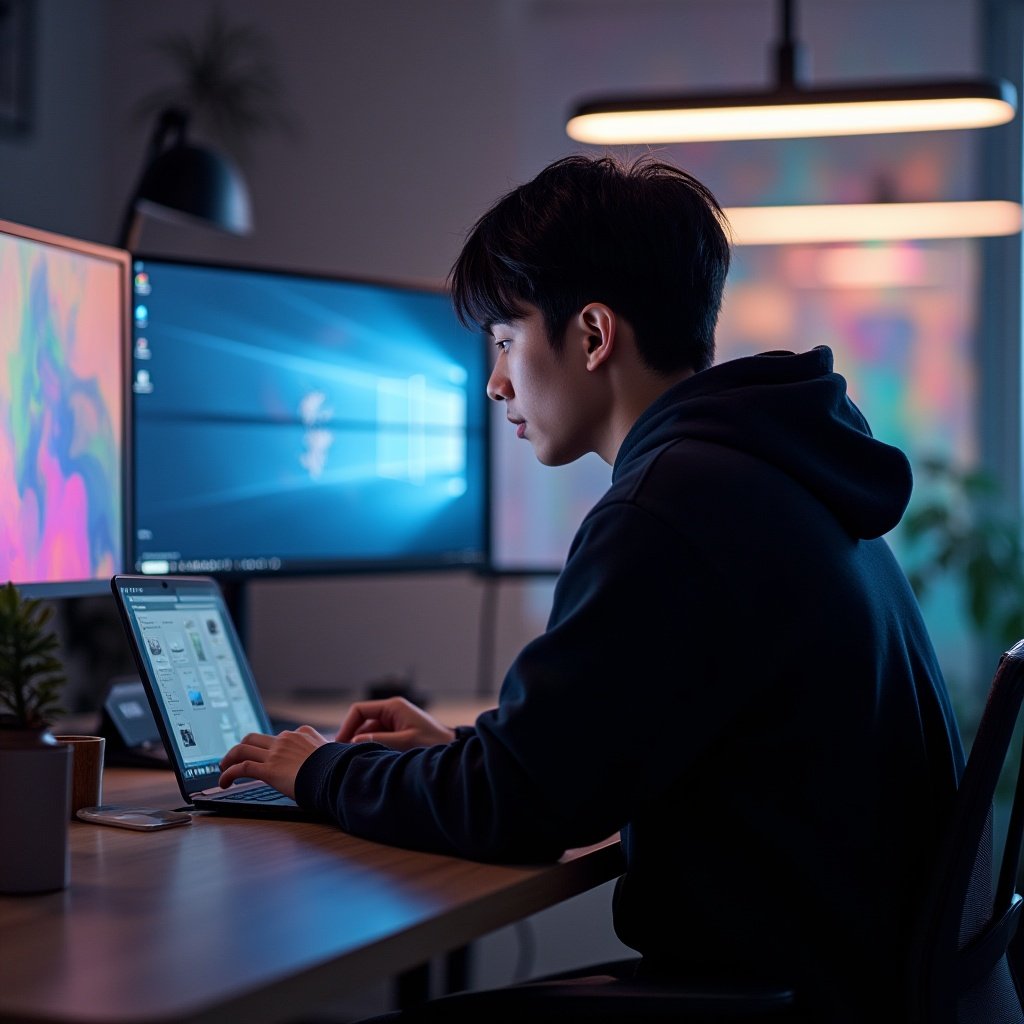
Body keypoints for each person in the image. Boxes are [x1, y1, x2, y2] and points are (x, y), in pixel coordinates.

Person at [219, 154, 964, 1022]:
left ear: (594, 334)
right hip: (844, 982)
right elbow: (589, 759)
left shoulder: (672, 506)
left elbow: (519, 810)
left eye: (506, 339)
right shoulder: (770, 471)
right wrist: (462, 753)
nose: (495, 381)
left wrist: (321, 770)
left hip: (783, 999)